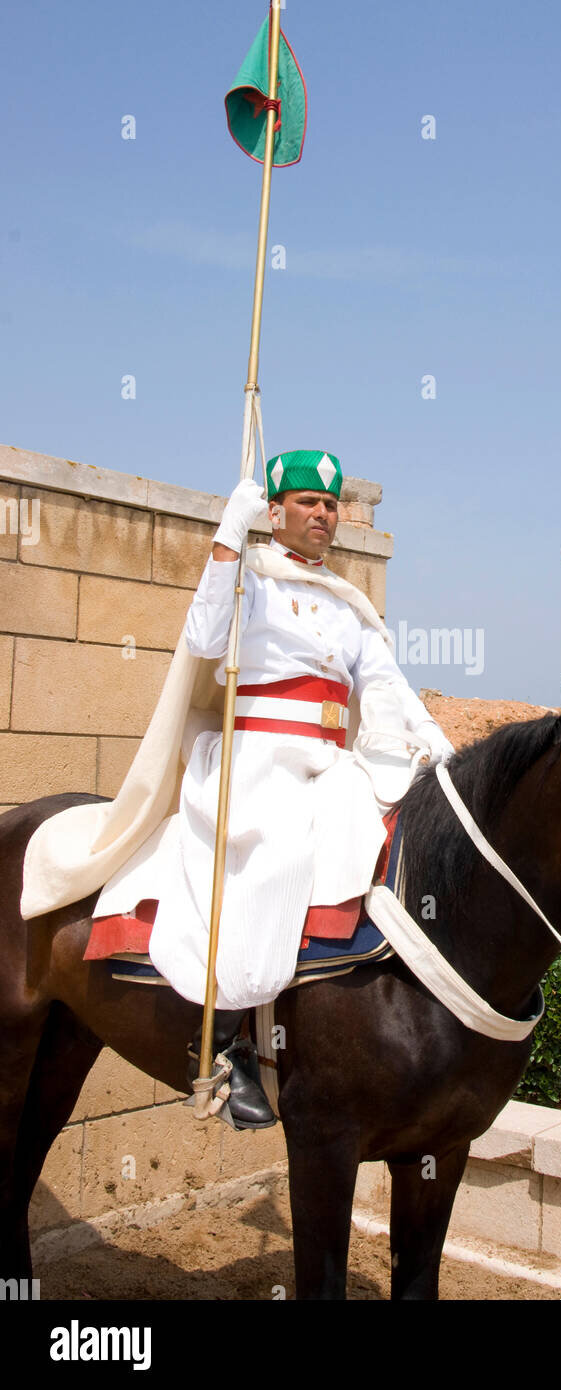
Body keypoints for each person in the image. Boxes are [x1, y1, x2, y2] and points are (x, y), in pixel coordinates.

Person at [146, 449, 454, 1127]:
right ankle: (229, 1047)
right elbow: (202, 639)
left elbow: (388, 690)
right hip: (254, 758)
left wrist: (444, 752)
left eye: (330, 504)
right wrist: (229, 534)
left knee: (385, 837)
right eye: (307, 502)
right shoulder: (247, 583)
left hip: (327, 759)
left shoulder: (349, 607)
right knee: (280, 854)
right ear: (276, 512)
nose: (323, 514)